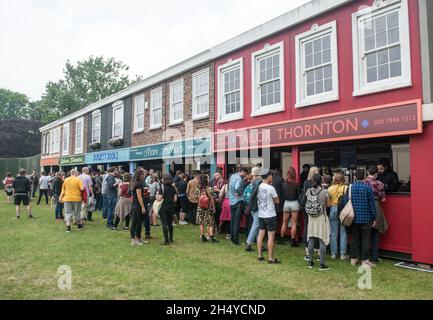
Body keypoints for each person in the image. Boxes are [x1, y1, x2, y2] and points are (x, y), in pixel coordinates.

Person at [343, 169, 377, 267]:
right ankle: (365, 260)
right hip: (366, 218)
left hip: (353, 218)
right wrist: (374, 217)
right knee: (366, 240)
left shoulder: (350, 188)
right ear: (365, 177)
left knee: (354, 239)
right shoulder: (368, 188)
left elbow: (346, 202)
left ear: (354, 177)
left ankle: (353, 258)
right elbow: (372, 205)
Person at [306, 174, 331, 270]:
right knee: (322, 240)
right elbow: (328, 205)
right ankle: (322, 263)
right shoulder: (324, 191)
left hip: (311, 218)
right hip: (321, 217)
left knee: (311, 239)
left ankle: (310, 262)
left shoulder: (309, 190)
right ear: (321, 181)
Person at [256, 169, 280, 264]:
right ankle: (270, 258)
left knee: (261, 234)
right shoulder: (271, 188)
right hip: (270, 215)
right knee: (271, 237)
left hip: (261, 214)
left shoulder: (258, 186)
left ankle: (260, 255)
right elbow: (277, 201)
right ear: (269, 176)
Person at [364, 166, 387, 263]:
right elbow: (383, 199)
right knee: (376, 232)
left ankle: (364, 256)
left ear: (367, 172)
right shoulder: (380, 184)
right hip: (376, 205)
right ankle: (375, 256)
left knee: (365, 233)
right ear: (376, 174)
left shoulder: (363, 183)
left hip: (365, 207)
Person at [327, 172, 348, 260]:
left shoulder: (330, 188)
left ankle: (333, 254)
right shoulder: (346, 188)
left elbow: (328, 201)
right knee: (343, 232)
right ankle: (343, 254)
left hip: (333, 209)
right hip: (343, 210)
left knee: (333, 233)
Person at [301, 166, 320, 259]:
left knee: (308, 228)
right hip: (314, 208)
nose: (318, 172)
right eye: (317, 171)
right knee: (312, 228)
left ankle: (308, 250)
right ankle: (312, 249)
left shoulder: (306, 182)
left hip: (307, 207)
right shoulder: (313, 183)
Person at [280, 167, 301, 247]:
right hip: (294, 203)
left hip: (286, 203)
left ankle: (282, 239)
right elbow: (298, 195)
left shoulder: (284, 184)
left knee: (284, 222)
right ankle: (293, 241)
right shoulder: (296, 184)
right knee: (294, 223)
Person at [245, 167, 263, 252]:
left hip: (251, 206)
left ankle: (260, 243)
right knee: (256, 224)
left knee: (257, 225)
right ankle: (249, 242)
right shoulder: (259, 182)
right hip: (257, 206)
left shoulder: (251, 183)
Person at [229, 167, 249, 245]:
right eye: (245, 173)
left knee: (232, 221)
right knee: (237, 222)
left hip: (231, 201)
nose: (245, 175)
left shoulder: (232, 176)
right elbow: (237, 187)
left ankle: (232, 239)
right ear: (242, 172)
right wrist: (239, 192)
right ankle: (236, 241)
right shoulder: (240, 179)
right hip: (238, 201)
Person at [197, 174, 218, 243]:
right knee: (210, 222)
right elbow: (212, 199)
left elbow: (195, 197)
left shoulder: (198, 188)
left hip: (200, 207)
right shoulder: (209, 189)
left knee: (201, 222)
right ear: (206, 180)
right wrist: (214, 207)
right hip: (208, 207)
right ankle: (211, 237)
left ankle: (202, 237)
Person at [130, 169, 148, 246]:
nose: (144, 176)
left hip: (135, 204)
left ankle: (139, 238)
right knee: (136, 223)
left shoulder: (135, 183)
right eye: (143, 174)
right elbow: (139, 196)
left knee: (137, 222)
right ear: (140, 175)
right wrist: (143, 207)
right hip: (138, 205)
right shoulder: (138, 184)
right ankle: (133, 239)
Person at [158, 174, 178, 245]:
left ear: (164, 179)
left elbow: (159, 198)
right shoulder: (173, 188)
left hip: (163, 207)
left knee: (164, 223)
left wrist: (156, 197)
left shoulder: (162, 187)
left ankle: (166, 240)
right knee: (170, 223)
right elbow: (175, 199)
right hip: (171, 207)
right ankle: (171, 238)